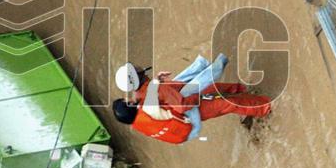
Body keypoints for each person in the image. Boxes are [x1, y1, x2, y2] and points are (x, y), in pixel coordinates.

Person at [111, 59, 272, 144]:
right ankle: (266, 107)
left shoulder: (141, 96)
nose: (139, 66)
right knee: (226, 104)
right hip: (188, 111)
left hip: (181, 112)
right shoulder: (151, 96)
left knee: (217, 90)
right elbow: (182, 106)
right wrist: (198, 96)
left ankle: (246, 93)